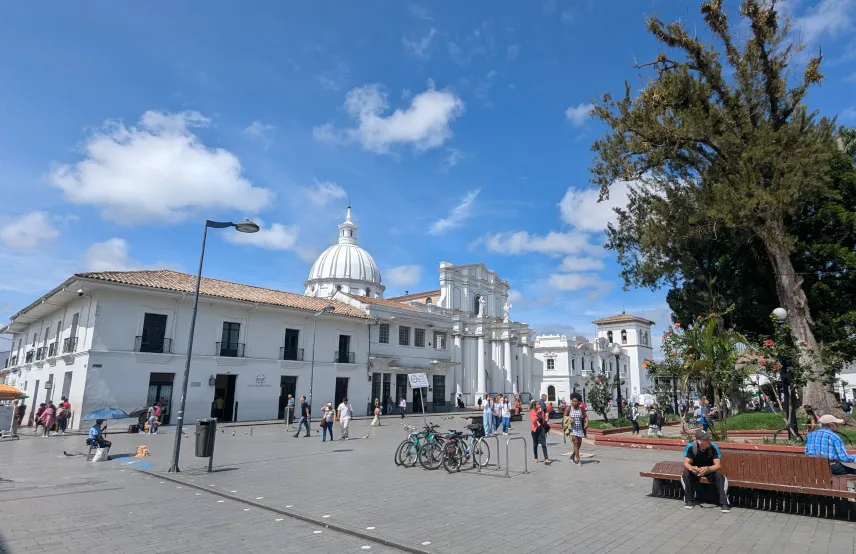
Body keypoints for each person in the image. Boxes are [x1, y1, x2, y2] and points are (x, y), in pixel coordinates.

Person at [682, 429, 729, 512]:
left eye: (709, 438)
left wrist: (707, 469)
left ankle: (724, 503)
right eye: (706, 439)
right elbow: (686, 463)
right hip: (696, 471)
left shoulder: (713, 447)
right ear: (699, 441)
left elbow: (718, 466)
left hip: (709, 471)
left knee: (718, 475)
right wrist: (692, 468)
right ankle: (689, 500)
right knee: (686, 473)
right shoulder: (691, 446)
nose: (709, 441)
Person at [564, 393, 588, 466]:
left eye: (576, 401)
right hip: (572, 429)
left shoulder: (581, 409)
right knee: (575, 443)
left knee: (579, 444)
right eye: (573, 401)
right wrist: (569, 419)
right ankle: (579, 460)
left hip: (579, 428)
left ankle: (572, 457)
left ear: (579, 402)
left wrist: (587, 423)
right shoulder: (568, 408)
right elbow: (564, 417)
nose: (574, 402)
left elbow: (586, 416)